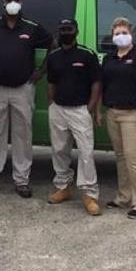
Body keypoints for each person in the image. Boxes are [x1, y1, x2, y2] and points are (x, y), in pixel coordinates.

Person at [0, 0, 53, 198]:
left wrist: (41, 71)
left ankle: (22, 180)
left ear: (21, 3)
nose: (13, 2)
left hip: (23, 89)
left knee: (23, 135)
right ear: (3, 3)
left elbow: (54, 44)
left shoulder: (32, 27)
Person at [98, 16, 136, 219]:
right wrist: (99, 110)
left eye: (124, 33)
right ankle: (123, 197)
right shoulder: (110, 57)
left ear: (131, 34)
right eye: (117, 33)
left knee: (134, 159)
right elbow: (102, 85)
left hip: (133, 115)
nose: (120, 36)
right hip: (113, 113)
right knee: (121, 158)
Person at [46, 19, 102, 216]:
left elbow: (96, 82)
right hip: (58, 109)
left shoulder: (87, 55)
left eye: (69, 29)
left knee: (86, 152)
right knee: (59, 150)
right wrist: (52, 103)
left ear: (76, 32)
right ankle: (63, 187)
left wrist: (91, 107)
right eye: (62, 30)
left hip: (80, 110)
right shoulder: (53, 56)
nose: (65, 33)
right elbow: (51, 82)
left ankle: (89, 194)